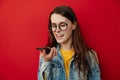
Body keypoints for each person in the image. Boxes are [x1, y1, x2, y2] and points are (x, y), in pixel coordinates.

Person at [38, 5, 101, 80]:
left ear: (73, 25)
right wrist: (47, 61)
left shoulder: (89, 56)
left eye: (62, 25)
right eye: (54, 26)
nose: (57, 30)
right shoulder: (46, 55)